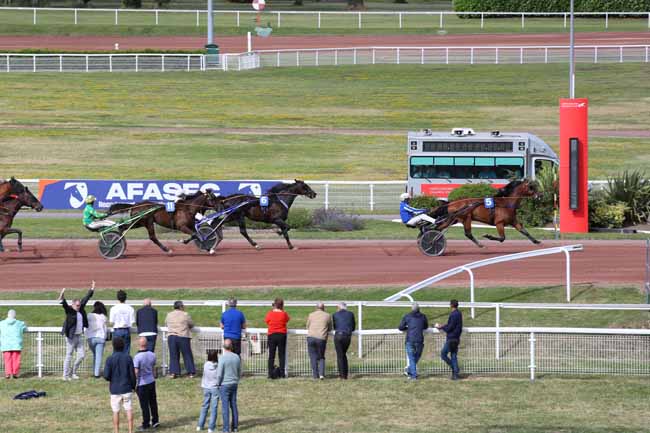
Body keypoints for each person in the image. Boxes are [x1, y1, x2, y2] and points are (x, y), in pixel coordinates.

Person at [58, 280, 95, 380]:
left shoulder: (81, 308)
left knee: (82, 355)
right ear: (73, 305)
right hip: (71, 337)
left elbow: (86, 298)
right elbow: (64, 305)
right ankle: (65, 376)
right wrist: (62, 296)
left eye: (79, 305)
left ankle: (73, 372)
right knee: (69, 356)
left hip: (79, 336)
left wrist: (92, 289)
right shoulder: (70, 311)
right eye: (77, 305)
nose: (78, 307)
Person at [104, 337, 137, 433]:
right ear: (123, 346)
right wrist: (133, 386)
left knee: (116, 411)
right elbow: (132, 375)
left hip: (114, 389)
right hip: (126, 387)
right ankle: (130, 431)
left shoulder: (109, 359)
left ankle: (116, 431)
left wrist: (111, 379)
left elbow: (106, 375)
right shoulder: (128, 358)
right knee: (129, 409)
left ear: (113, 346)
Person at [133, 337, 160, 431]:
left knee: (144, 405)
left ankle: (146, 423)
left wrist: (134, 384)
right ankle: (155, 421)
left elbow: (136, 372)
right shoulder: (152, 355)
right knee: (153, 402)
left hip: (142, 383)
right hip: (151, 381)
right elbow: (153, 368)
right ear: (147, 344)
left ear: (139, 344)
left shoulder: (137, 357)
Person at [398, 302, 429, 380]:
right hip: (419, 340)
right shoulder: (423, 316)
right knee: (416, 357)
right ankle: (411, 372)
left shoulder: (407, 316)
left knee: (412, 358)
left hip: (410, 340)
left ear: (412, 309)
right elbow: (425, 326)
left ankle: (412, 374)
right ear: (419, 309)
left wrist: (407, 328)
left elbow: (400, 327)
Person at [165, 301, 196, 378]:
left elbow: (166, 323)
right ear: (181, 307)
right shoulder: (185, 314)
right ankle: (190, 372)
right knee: (187, 355)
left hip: (171, 336)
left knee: (173, 355)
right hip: (183, 336)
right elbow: (191, 324)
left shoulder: (169, 314)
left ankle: (173, 372)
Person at [435, 299, 463, 380]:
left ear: (451, 305)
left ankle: (455, 369)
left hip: (451, 338)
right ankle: (455, 374)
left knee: (443, 354)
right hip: (457, 338)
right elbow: (451, 325)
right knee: (453, 356)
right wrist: (444, 325)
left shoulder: (453, 314)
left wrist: (441, 327)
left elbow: (450, 327)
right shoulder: (459, 313)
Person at [217, 339, 241, 433]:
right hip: (234, 383)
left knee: (225, 407)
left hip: (224, 384)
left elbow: (219, 374)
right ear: (232, 346)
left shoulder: (222, 358)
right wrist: (237, 379)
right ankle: (235, 427)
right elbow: (239, 371)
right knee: (233, 405)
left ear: (223, 347)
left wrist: (218, 383)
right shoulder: (236, 357)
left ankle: (226, 429)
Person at [264, 298, 290, 379]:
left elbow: (267, 321)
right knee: (281, 355)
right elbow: (287, 320)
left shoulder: (270, 313)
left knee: (271, 355)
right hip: (281, 335)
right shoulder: (284, 313)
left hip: (272, 335)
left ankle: (270, 373)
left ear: (274, 305)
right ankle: (282, 374)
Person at [306, 302, 332, 380]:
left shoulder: (311, 315)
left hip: (311, 337)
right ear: (323, 308)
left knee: (313, 357)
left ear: (316, 307)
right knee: (321, 357)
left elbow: (307, 326)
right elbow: (330, 328)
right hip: (321, 338)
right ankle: (321, 374)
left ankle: (315, 375)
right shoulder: (327, 315)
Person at [197, 349, 220, 433]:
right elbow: (219, 376)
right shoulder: (218, 366)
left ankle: (200, 425)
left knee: (205, 406)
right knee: (214, 407)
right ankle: (211, 427)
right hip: (214, 387)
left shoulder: (206, 364)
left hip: (206, 387)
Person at [0, 309, 26, 379]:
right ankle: (15, 373)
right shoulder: (20, 323)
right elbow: (24, 329)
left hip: (5, 344)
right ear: (15, 316)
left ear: (7, 315)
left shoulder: (1, 323)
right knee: (16, 359)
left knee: (7, 360)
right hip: (16, 344)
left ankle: (8, 374)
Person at [332, 302, 355, 380]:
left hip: (338, 335)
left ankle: (342, 376)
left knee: (340, 356)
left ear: (338, 307)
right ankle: (345, 375)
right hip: (347, 336)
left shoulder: (335, 314)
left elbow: (335, 326)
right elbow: (353, 326)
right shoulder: (351, 314)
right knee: (343, 355)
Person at [110, 290, 135, 355]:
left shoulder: (113, 308)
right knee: (126, 351)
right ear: (125, 298)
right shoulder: (130, 308)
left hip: (117, 330)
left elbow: (111, 322)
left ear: (117, 298)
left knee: (116, 351)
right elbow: (132, 322)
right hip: (126, 330)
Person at [87, 301, 108, 378]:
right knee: (98, 356)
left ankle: (95, 371)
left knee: (95, 355)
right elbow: (105, 328)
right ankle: (96, 374)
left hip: (90, 338)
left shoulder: (89, 315)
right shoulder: (103, 317)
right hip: (100, 338)